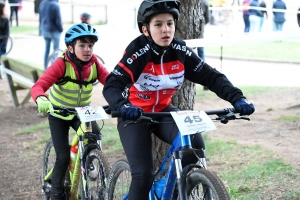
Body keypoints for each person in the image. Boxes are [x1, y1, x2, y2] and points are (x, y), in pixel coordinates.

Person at [102, 0, 255, 199]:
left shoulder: (180, 51)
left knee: (194, 144)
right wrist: (122, 106)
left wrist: (237, 98)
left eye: (170, 23)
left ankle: (173, 188)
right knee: (143, 177)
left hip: (163, 110)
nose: (166, 29)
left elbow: (211, 77)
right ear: (146, 30)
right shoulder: (138, 52)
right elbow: (112, 85)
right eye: (158, 24)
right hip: (134, 115)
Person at [30, 23, 109, 200]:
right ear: (71, 48)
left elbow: (111, 82)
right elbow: (39, 85)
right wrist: (41, 98)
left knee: (94, 136)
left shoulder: (95, 64)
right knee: (63, 157)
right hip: (58, 114)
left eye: (90, 45)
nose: (87, 49)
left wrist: (121, 96)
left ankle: (87, 161)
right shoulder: (61, 64)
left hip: (82, 113)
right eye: (82, 45)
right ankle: (57, 194)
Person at [39, 0, 63, 70]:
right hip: (54, 30)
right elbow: (58, 20)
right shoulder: (55, 5)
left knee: (47, 49)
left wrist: (41, 30)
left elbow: (40, 18)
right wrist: (61, 29)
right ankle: (53, 70)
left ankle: (45, 68)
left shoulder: (42, 3)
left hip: (45, 29)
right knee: (56, 50)